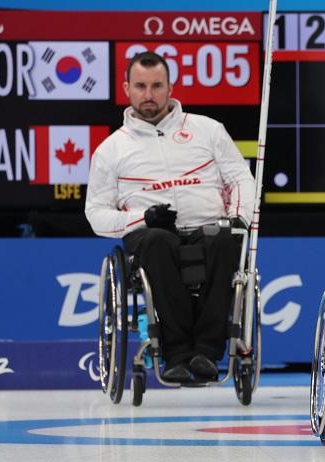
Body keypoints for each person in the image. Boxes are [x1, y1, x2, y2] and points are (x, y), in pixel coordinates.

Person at [85, 51, 255, 382]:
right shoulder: (110, 150)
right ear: (127, 89)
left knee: (226, 240)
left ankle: (206, 352)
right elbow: (96, 215)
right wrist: (142, 217)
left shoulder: (208, 130)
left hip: (209, 225)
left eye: (156, 86)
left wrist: (239, 218)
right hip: (150, 234)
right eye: (140, 86)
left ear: (170, 88)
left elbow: (240, 178)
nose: (148, 95)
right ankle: (176, 355)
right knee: (158, 241)